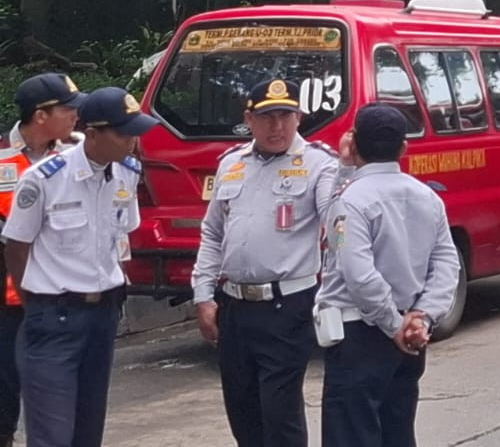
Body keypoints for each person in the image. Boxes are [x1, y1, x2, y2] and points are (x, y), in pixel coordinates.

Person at [1, 87, 155, 447]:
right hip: (53, 316)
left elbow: (121, 236)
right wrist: (33, 303)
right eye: (123, 133)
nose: (132, 142)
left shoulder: (127, 173)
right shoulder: (44, 179)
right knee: (53, 434)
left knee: (88, 431)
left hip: (102, 317)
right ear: (93, 134)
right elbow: (16, 247)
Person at [191, 80, 341, 447]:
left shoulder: (319, 164)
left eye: (285, 117)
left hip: (286, 307)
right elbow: (212, 234)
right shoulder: (231, 164)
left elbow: (337, 226)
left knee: (279, 413)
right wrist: (202, 295)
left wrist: (348, 174)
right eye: (267, 118)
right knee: (242, 410)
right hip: (234, 307)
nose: (277, 127)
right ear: (249, 120)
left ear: (299, 118)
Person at [317, 104, 459, 447]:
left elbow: (357, 273)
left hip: (359, 334)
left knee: (350, 434)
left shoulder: (351, 201)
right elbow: (445, 263)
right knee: (397, 430)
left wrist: (392, 324)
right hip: (410, 333)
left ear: (354, 144)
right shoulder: (427, 197)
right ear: (404, 148)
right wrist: (422, 318)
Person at [0, 74, 84, 447]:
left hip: (53, 295)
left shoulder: (71, 156)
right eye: (67, 109)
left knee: (51, 391)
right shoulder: (1, 155)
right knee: (3, 388)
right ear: (40, 115)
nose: (75, 116)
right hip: (7, 302)